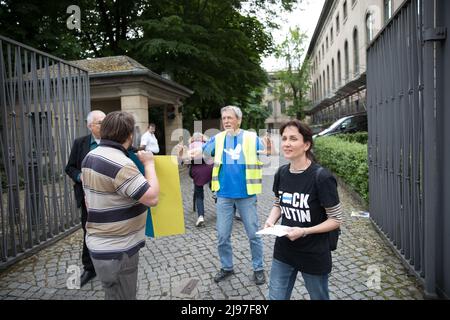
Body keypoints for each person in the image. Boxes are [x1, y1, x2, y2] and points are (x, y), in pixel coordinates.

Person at [81, 111, 160, 300]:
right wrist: (149, 165)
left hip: (98, 246)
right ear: (129, 135)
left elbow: (87, 199)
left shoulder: (90, 156)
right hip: (119, 250)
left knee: (112, 294)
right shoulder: (122, 164)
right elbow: (152, 198)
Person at [264, 120, 342, 300]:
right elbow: (279, 203)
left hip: (313, 253)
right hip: (284, 250)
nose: (286, 143)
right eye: (284, 139)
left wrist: (305, 231)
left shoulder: (322, 177)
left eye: (293, 139)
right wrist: (271, 220)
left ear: (306, 145)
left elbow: (336, 219)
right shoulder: (281, 173)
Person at [200, 105, 266, 285]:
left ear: (239, 120)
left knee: (253, 234)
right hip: (224, 195)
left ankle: (258, 268)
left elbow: (266, 155)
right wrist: (188, 152)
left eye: (230, 118)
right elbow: (203, 153)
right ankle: (227, 267)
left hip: (246, 194)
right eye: (224, 119)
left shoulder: (252, 138)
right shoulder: (218, 138)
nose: (226, 121)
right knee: (222, 235)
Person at [65, 110, 106, 287]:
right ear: (90, 126)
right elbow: (69, 167)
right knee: (89, 232)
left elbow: (132, 154)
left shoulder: (113, 141)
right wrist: (80, 176)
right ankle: (90, 268)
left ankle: (109, 263)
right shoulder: (80, 143)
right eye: (100, 122)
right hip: (87, 198)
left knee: (110, 230)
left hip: (109, 197)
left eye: (105, 122)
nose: (104, 125)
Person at [187, 132, 213, 227]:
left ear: (192, 138)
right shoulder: (207, 144)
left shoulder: (191, 145)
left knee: (199, 195)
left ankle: (200, 216)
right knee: (214, 186)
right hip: (210, 169)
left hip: (197, 172)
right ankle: (215, 194)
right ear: (203, 138)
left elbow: (187, 160)